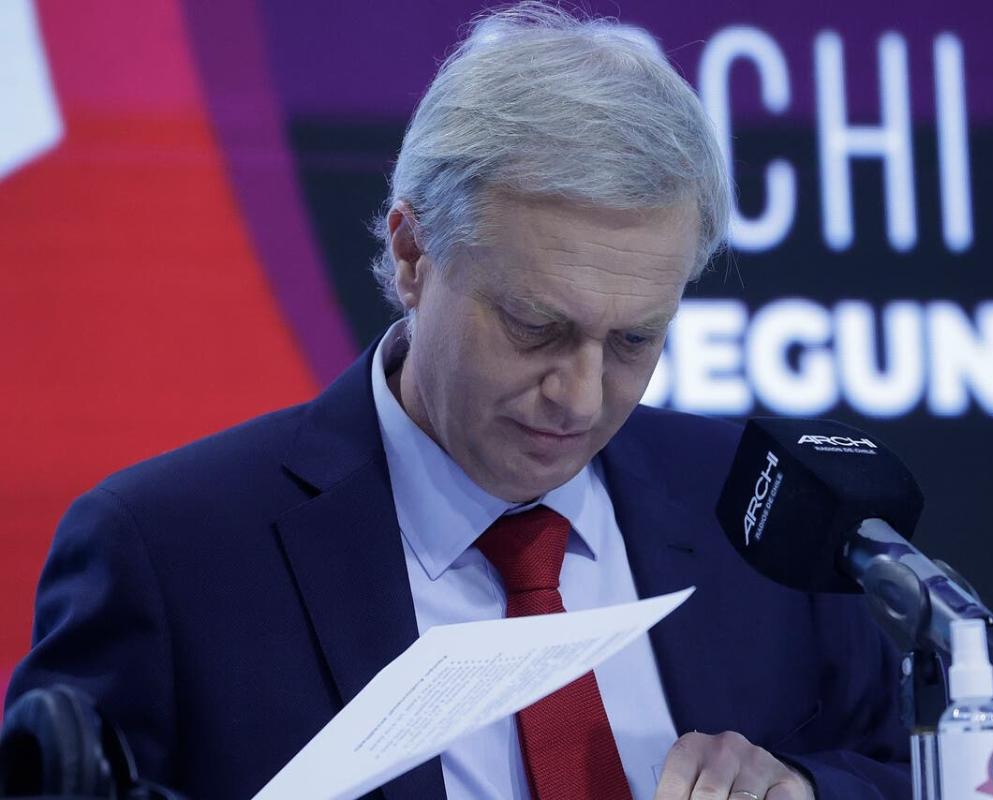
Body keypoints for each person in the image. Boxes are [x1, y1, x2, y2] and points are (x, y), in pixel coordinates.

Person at [6, 4, 910, 799]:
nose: (579, 397)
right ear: (412, 255)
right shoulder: (170, 552)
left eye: (633, 341)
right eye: (534, 326)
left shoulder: (757, 511)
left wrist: (804, 790)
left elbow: (906, 767)